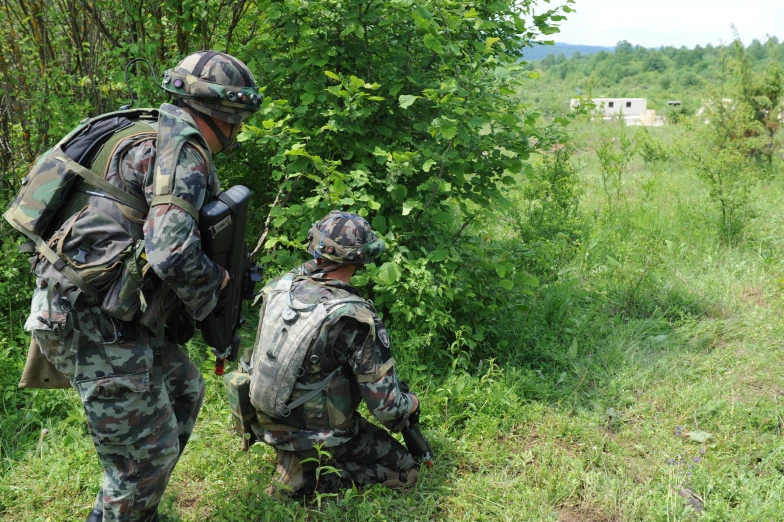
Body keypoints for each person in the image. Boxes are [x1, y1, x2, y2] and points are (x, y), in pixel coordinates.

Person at [20, 51, 260, 522]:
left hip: (94, 309)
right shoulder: (181, 151)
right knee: (140, 464)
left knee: (184, 389)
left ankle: (136, 511)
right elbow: (171, 251)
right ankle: (130, 506)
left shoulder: (137, 129)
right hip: (93, 322)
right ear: (227, 115)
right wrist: (217, 288)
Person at [248, 211, 421, 496]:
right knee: (406, 470)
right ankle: (312, 476)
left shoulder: (280, 287)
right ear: (361, 259)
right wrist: (411, 403)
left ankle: (293, 458)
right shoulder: (352, 316)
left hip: (265, 420)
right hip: (316, 432)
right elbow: (387, 410)